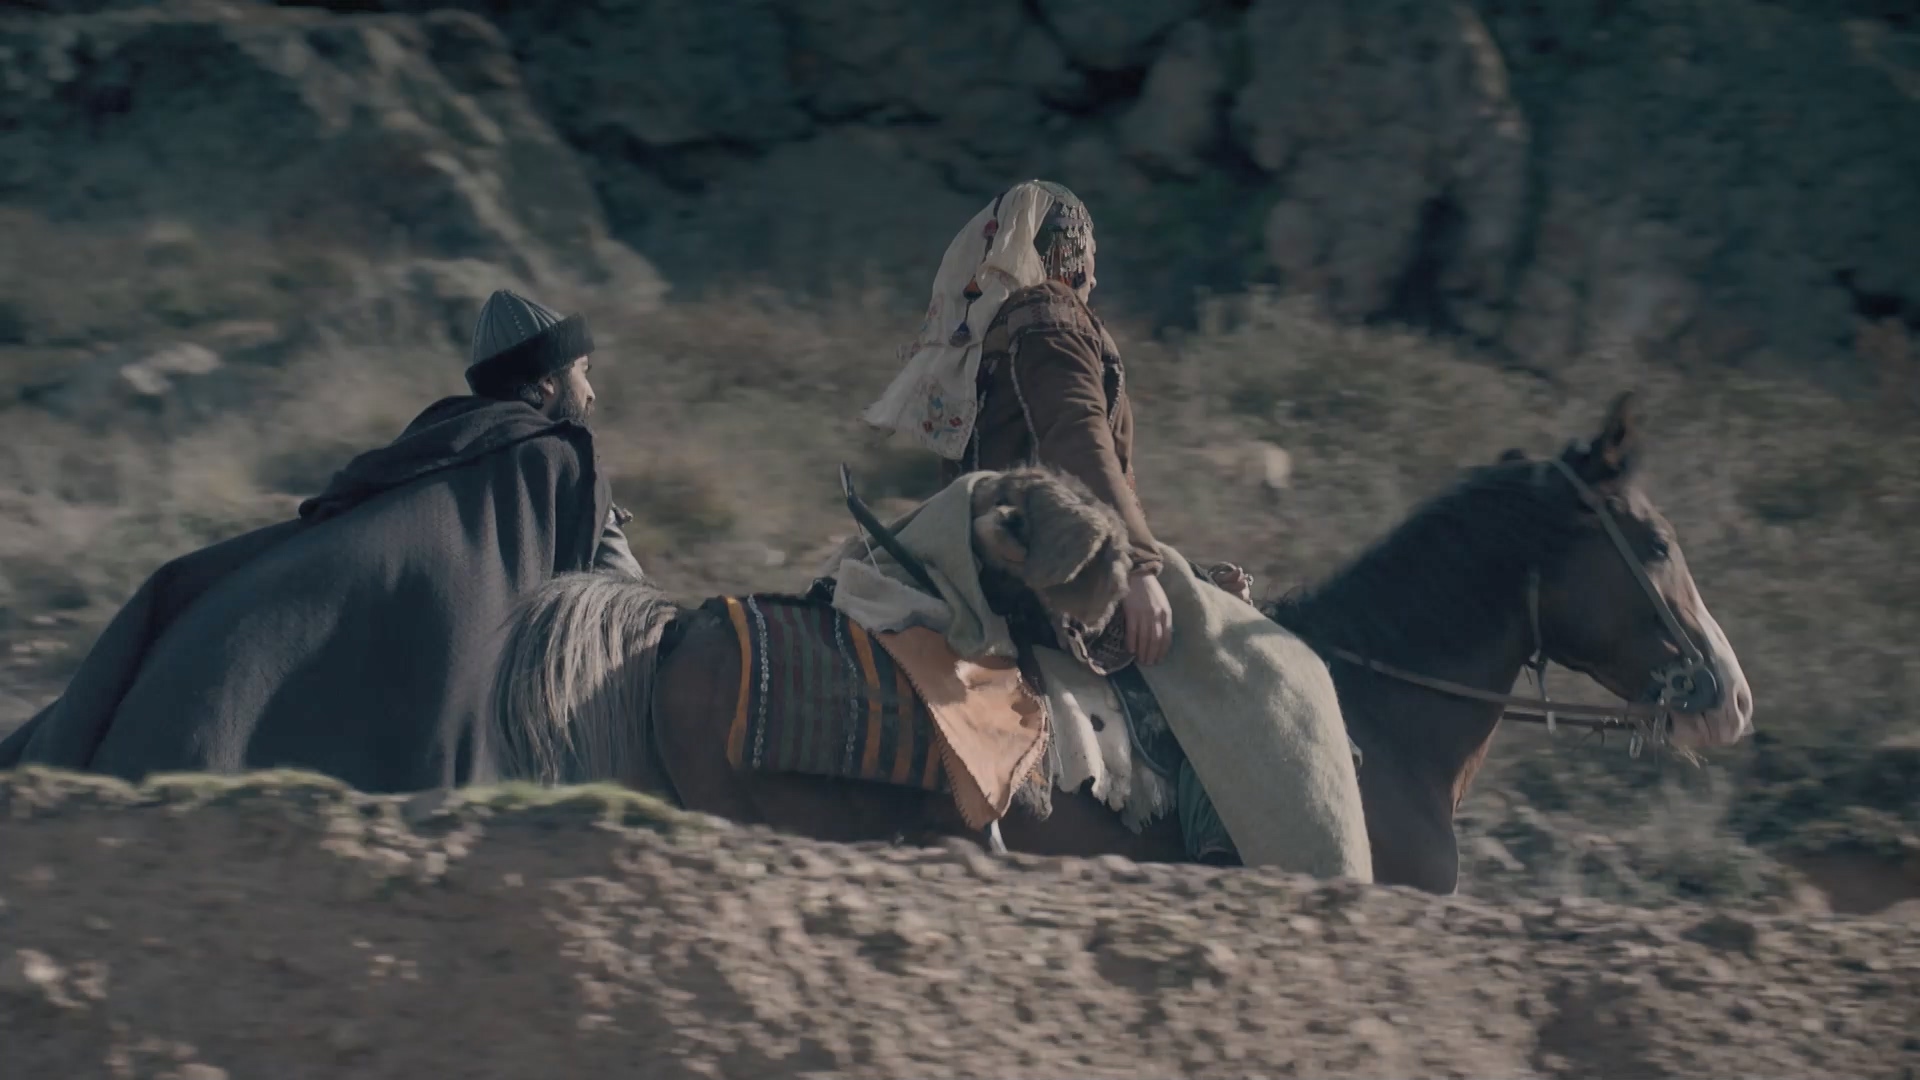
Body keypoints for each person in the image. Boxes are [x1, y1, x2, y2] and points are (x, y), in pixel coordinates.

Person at [0, 289, 641, 790]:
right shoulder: (558, 458)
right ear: (547, 384)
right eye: (582, 372)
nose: (592, 392)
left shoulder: (436, 443)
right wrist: (603, 519)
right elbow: (622, 611)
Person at [862, 179, 1249, 673]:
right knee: (1213, 657)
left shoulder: (985, 334)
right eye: (1087, 257)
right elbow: (1077, 433)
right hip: (1045, 566)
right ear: (1067, 255)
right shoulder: (1050, 314)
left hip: (978, 552)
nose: (1094, 278)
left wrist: (1183, 574)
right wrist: (1137, 570)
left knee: (1205, 595)